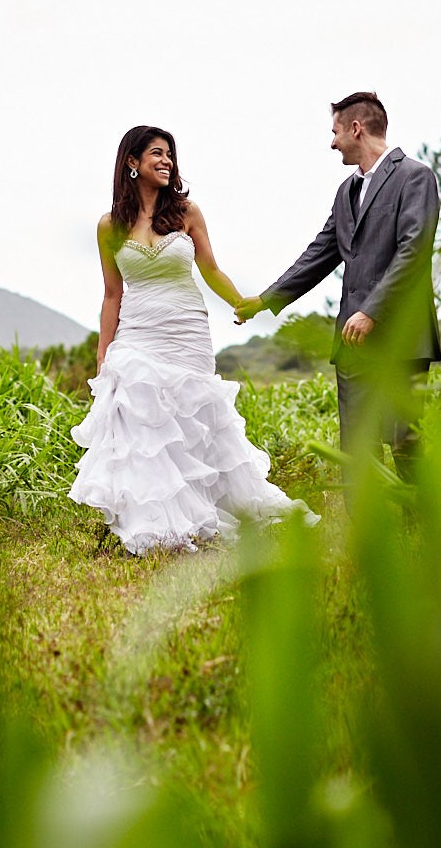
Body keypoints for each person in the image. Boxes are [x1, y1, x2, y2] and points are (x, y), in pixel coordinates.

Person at [69, 125, 314, 554]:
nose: (166, 161)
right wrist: (103, 351)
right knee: (143, 424)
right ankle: (154, 522)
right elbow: (112, 294)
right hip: (137, 333)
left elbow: (211, 269)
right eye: (157, 154)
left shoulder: (185, 213)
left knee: (191, 424)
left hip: (186, 331)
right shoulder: (110, 225)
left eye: (170, 155)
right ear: (132, 162)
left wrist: (243, 302)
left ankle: (204, 510)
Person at [235, 92, 441, 464]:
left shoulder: (416, 177)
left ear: (356, 129)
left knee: (405, 443)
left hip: (401, 337)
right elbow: (322, 252)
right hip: (353, 341)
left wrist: (372, 311)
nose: (332, 142)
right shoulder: (346, 190)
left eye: (335, 131)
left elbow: (414, 251)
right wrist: (266, 300)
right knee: (357, 449)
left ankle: (420, 523)